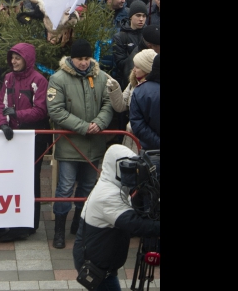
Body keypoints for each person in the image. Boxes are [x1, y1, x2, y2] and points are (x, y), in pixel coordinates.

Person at [47, 39, 113, 249]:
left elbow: (108, 103)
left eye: (86, 59)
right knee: (65, 187)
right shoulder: (58, 79)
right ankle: (59, 230)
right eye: (79, 59)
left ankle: (79, 223)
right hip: (70, 145)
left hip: (94, 144)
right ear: (72, 59)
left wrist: (99, 123)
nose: (83, 63)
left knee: (87, 186)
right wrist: (84, 126)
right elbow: (55, 110)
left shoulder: (101, 77)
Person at [72, 144, 161, 291]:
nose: (132, 172)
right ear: (117, 168)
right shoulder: (108, 196)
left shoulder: (113, 186)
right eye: (128, 167)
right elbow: (136, 225)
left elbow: (134, 211)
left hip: (100, 261)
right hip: (95, 267)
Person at [0, 43, 50, 241]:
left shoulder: (39, 80)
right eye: (12, 58)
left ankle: (28, 225)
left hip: (33, 137)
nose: (13, 61)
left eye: (17, 58)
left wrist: (17, 115)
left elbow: (41, 110)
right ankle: (17, 223)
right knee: (14, 179)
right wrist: (3, 124)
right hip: (13, 137)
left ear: (27, 59)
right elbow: (1, 104)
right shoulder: (9, 78)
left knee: (31, 180)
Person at [112, 1, 148, 89]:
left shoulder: (148, 34)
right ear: (131, 16)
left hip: (147, 80)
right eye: (138, 15)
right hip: (127, 81)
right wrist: (138, 49)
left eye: (144, 16)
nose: (141, 19)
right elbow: (121, 63)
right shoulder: (120, 37)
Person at [129, 53, 160, 150]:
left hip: (151, 152)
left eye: (137, 67)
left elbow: (138, 125)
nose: (134, 70)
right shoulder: (140, 90)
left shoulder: (140, 91)